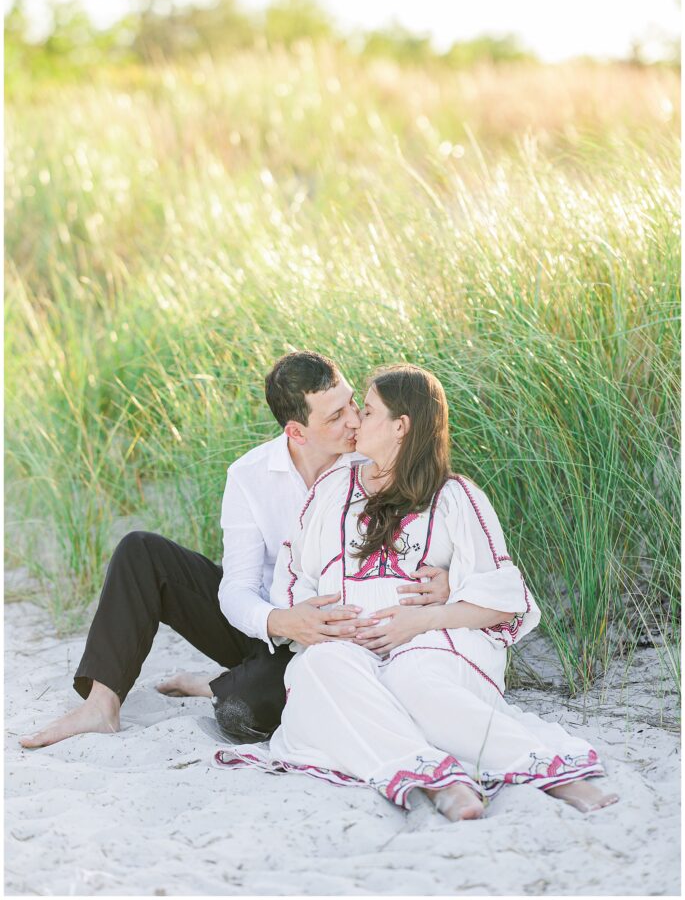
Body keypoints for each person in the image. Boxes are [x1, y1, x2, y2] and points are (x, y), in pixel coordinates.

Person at [215, 364, 620, 821]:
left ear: (400, 426)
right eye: (349, 412)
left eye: (364, 411)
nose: (354, 421)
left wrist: (423, 618)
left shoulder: (455, 496)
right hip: (353, 648)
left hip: (434, 639)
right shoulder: (332, 489)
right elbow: (295, 576)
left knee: (413, 680)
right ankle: (435, 775)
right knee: (318, 672)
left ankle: (553, 773)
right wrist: (309, 621)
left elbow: (504, 599)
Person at [19, 352, 450, 750]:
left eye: (353, 404)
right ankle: (101, 705)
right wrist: (280, 620)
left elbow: (433, 522)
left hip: (331, 634)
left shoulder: (370, 462)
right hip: (263, 622)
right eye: (336, 416)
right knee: (140, 551)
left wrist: (446, 575)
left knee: (243, 711)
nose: (355, 421)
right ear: (296, 432)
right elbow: (236, 588)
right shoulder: (250, 475)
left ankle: (215, 684)